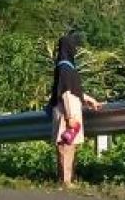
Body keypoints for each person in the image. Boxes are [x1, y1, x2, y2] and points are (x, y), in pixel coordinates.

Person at [47, 31, 103, 188]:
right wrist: (70, 116)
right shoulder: (65, 67)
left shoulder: (66, 67)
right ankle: (65, 181)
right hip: (67, 110)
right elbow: (65, 92)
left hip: (67, 108)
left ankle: (66, 179)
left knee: (68, 145)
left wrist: (91, 100)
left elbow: (75, 90)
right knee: (66, 146)